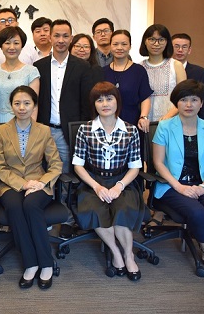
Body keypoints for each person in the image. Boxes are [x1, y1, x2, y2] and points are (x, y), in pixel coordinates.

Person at [72, 81, 145, 281]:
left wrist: (119, 186)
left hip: (122, 181)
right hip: (93, 180)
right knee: (94, 209)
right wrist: (96, 187)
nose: (105, 104)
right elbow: (78, 165)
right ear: (94, 104)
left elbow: (135, 167)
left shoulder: (130, 130)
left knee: (122, 210)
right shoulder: (85, 129)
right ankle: (115, 252)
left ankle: (129, 255)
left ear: (117, 101)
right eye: (99, 100)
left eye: (109, 99)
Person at [0, 86, 62, 289]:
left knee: (31, 205)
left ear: (34, 106)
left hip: (39, 182)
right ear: (11, 106)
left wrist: (41, 182)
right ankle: (31, 263)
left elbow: (56, 164)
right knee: (14, 206)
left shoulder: (44, 131)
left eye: (27, 103)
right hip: (10, 183)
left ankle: (46, 263)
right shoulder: (1, 131)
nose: (22, 107)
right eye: (17, 103)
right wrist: (23, 184)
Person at [152, 79, 204, 271]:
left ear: (202, 103)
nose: (189, 104)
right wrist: (180, 187)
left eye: (194, 99)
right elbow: (158, 163)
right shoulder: (165, 127)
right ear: (177, 103)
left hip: (202, 183)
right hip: (172, 185)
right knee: (198, 213)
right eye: (183, 100)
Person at [34, 19, 94, 239]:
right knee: (43, 174)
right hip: (43, 130)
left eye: (65, 36)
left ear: (71, 38)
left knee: (68, 176)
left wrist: (82, 131)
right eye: (56, 35)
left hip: (69, 132)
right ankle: (46, 216)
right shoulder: (39, 66)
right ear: (50, 37)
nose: (60, 40)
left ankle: (67, 219)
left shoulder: (82, 67)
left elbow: (87, 104)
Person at [103, 30, 152, 130]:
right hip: (107, 122)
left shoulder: (139, 70)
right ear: (110, 46)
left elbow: (145, 97)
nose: (119, 48)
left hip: (132, 122)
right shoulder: (103, 71)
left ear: (130, 46)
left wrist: (143, 117)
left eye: (124, 44)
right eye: (115, 44)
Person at [139, 24, 187, 121]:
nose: (156, 44)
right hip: (145, 123)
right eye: (152, 39)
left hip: (172, 121)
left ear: (167, 42)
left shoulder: (176, 65)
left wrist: (168, 116)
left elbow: (183, 96)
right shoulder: (139, 67)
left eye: (161, 40)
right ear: (145, 41)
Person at [0, 26, 40, 123]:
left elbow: (34, 105)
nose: (12, 47)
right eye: (7, 43)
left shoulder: (31, 71)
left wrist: (31, 127)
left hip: (22, 121)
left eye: (16, 43)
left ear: (22, 46)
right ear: (1, 46)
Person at [171, 33, 204, 121]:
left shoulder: (200, 72)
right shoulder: (163, 70)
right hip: (166, 118)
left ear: (189, 50)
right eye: (176, 46)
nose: (180, 50)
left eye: (184, 47)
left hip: (192, 121)